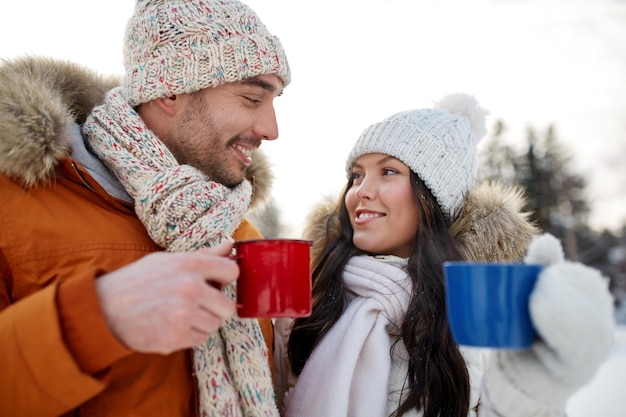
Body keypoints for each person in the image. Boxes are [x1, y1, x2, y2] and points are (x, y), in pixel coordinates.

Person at [0, 0, 290, 415]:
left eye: (276, 100)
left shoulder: (236, 229)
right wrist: (94, 319)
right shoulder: (13, 205)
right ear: (169, 91)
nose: (272, 129)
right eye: (251, 98)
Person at [273, 93, 615, 417]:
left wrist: (534, 386)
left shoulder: (480, 314)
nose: (360, 191)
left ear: (432, 198)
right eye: (356, 175)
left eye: (388, 171)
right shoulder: (309, 298)